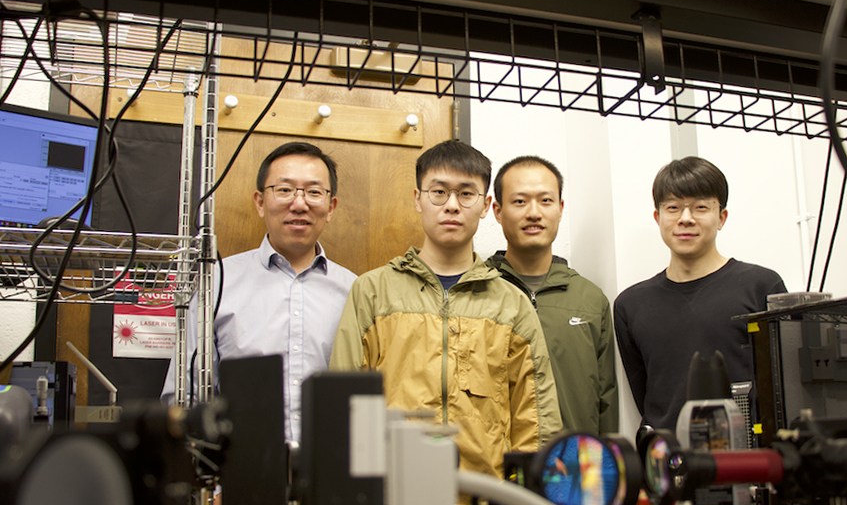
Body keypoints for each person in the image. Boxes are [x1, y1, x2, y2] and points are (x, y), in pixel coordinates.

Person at [330, 140, 562, 480]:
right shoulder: (373, 292)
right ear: (417, 199)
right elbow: (343, 405)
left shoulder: (511, 304)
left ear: (485, 205)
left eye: (466, 194)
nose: (452, 205)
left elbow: (536, 418)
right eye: (439, 192)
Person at [161, 142, 356, 442]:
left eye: (314, 192)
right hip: (239, 474)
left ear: (330, 207)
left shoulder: (355, 291)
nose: (300, 204)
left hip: (330, 475)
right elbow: (182, 396)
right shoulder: (216, 281)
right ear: (260, 201)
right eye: (285, 189)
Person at [613, 156, 786, 432]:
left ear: (721, 217)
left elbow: (784, 389)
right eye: (673, 208)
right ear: (658, 217)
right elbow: (646, 396)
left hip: (749, 463)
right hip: (669, 464)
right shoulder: (630, 305)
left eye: (700, 207)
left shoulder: (761, 286)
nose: (685, 219)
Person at [486, 156, 619, 435]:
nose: (534, 213)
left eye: (545, 201)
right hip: (496, 471)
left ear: (560, 209)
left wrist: (603, 471)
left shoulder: (590, 300)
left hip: (573, 469)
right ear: (498, 211)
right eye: (520, 201)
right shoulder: (475, 290)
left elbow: (606, 400)